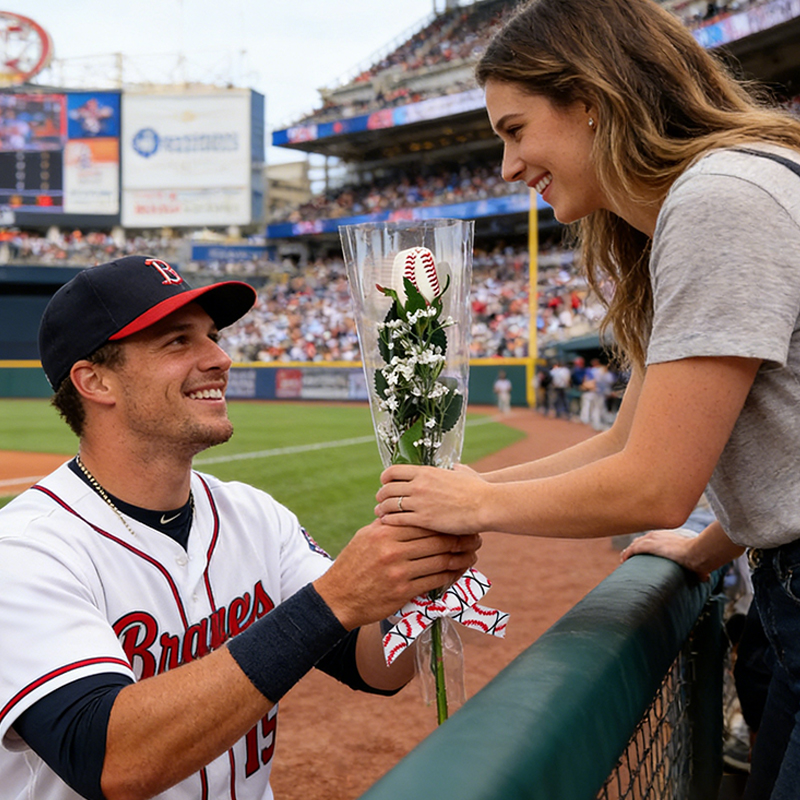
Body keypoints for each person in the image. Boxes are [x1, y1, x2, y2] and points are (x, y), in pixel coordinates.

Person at [372, 1, 800, 797]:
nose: (506, 167)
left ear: (592, 102)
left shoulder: (720, 199)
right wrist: (456, 491)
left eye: (513, 130)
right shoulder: (716, 193)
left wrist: (471, 506)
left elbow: (654, 484)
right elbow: (624, 442)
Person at [0, 255, 480, 800]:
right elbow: (112, 758)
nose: (221, 358)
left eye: (212, 336)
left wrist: (417, 575)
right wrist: (336, 598)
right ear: (95, 380)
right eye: (178, 342)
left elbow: (376, 669)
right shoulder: (23, 551)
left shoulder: (254, 515)